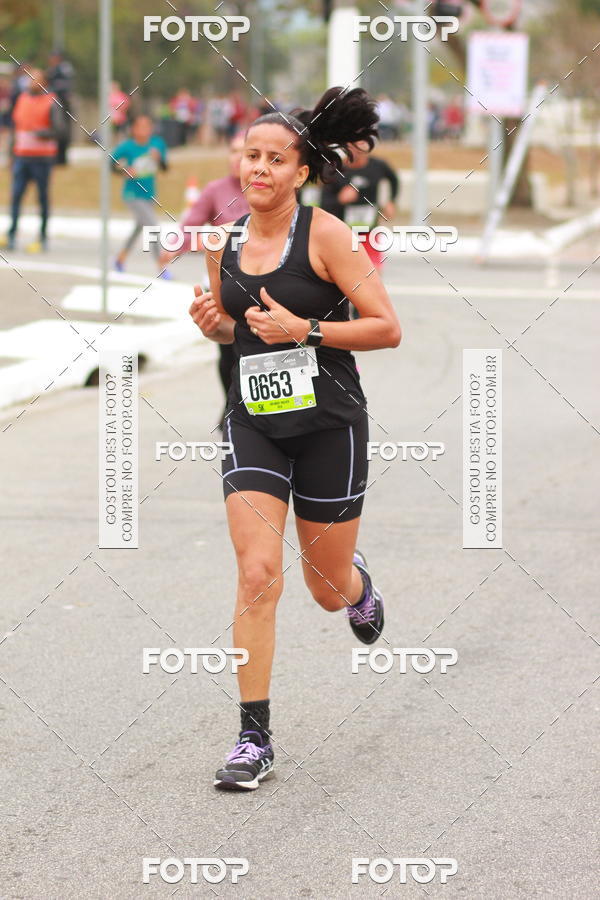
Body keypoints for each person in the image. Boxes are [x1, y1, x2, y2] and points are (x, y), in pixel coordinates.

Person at [188, 86, 401, 791]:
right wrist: (211, 323)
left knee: (322, 585)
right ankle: (254, 739)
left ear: (302, 172)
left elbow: (385, 327)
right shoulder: (221, 243)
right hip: (253, 423)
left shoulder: (328, 237)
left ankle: (357, 583)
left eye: (276, 159)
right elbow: (231, 329)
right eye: (251, 156)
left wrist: (307, 330)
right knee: (256, 574)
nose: (260, 169)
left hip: (329, 425)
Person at [161, 132, 249, 428]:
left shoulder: (264, 189)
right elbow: (190, 225)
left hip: (260, 284)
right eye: (234, 151)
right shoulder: (215, 190)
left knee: (253, 349)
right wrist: (173, 247)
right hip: (222, 283)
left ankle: (251, 407)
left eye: (246, 152)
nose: (239, 158)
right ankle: (232, 404)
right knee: (227, 351)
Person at [320, 140, 399, 315]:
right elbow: (323, 204)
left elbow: (393, 179)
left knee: (373, 274)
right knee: (344, 277)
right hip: (342, 235)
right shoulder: (334, 169)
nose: (360, 150)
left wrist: (391, 201)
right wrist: (340, 200)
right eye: (355, 145)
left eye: (364, 145)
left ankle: (363, 310)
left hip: (369, 232)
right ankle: (346, 308)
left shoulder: (378, 166)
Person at [1, 68, 65, 252]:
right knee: (16, 196)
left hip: (42, 158)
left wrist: (42, 134)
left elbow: (60, 130)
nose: (31, 81)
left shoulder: (51, 101)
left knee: (42, 197)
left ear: (44, 82)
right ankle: (11, 234)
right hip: (22, 156)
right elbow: (16, 127)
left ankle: (42, 237)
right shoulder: (22, 99)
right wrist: (10, 154)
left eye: (36, 78)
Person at [112, 115, 170, 276]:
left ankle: (120, 259)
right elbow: (111, 163)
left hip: (149, 194)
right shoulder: (127, 147)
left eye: (147, 126)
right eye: (140, 126)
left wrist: (158, 159)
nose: (144, 130)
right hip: (132, 194)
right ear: (134, 129)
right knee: (153, 227)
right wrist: (124, 171)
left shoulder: (157, 144)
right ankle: (162, 267)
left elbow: (165, 167)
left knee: (139, 228)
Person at [46, 51, 74, 165]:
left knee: (63, 131)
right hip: (53, 103)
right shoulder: (51, 71)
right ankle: (56, 156)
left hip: (63, 103)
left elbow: (67, 84)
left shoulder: (64, 68)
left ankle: (62, 158)